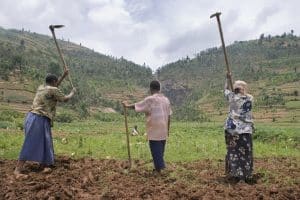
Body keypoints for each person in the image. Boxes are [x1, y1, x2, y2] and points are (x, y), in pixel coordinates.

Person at [14, 70, 76, 178]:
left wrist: (63, 76)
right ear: (53, 81)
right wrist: (72, 92)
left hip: (32, 117)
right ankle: (17, 170)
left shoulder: (41, 87)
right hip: (39, 118)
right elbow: (65, 99)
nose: (56, 84)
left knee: (46, 142)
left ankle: (44, 165)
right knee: (30, 142)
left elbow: (54, 88)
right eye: (56, 82)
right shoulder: (53, 90)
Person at [123, 80, 172, 173]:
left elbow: (137, 105)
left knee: (156, 153)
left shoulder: (150, 100)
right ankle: (158, 169)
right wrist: (167, 130)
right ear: (159, 89)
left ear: (151, 89)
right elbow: (169, 116)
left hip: (154, 131)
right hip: (164, 130)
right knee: (160, 153)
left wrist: (127, 106)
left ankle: (162, 170)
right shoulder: (166, 100)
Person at [224, 73, 254, 183]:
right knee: (244, 152)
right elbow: (229, 92)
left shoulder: (233, 97)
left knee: (234, 151)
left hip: (233, 130)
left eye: (236, 87)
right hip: (244, 130)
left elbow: (226, 90)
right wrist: (232, 85)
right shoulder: (250, 98)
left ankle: (236, 174)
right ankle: (245, 174)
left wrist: (227, 79)